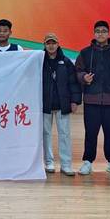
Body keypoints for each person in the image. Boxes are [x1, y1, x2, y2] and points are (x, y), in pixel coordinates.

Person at [74, 20, 110, 176]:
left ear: (108, 33)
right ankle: (87, 162)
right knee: (90, 133)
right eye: (98, 31)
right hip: (91, 100)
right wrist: (83, 77)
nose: (101, 34)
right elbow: (77, 71)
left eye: (104, 31)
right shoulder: (85, 53)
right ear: (94, 33)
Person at [41, 33, 81, 175]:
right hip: (45, 105)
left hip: (62, 105)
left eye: (53, 43)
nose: (51, 46)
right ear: (44, 45)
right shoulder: (40, 61)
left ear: (58, 44)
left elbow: (73, 83)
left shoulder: (66, 62)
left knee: (64, 135)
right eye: (48, 43)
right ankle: (49, 163)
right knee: (46, 134)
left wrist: (75, 101)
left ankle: (66, 165)